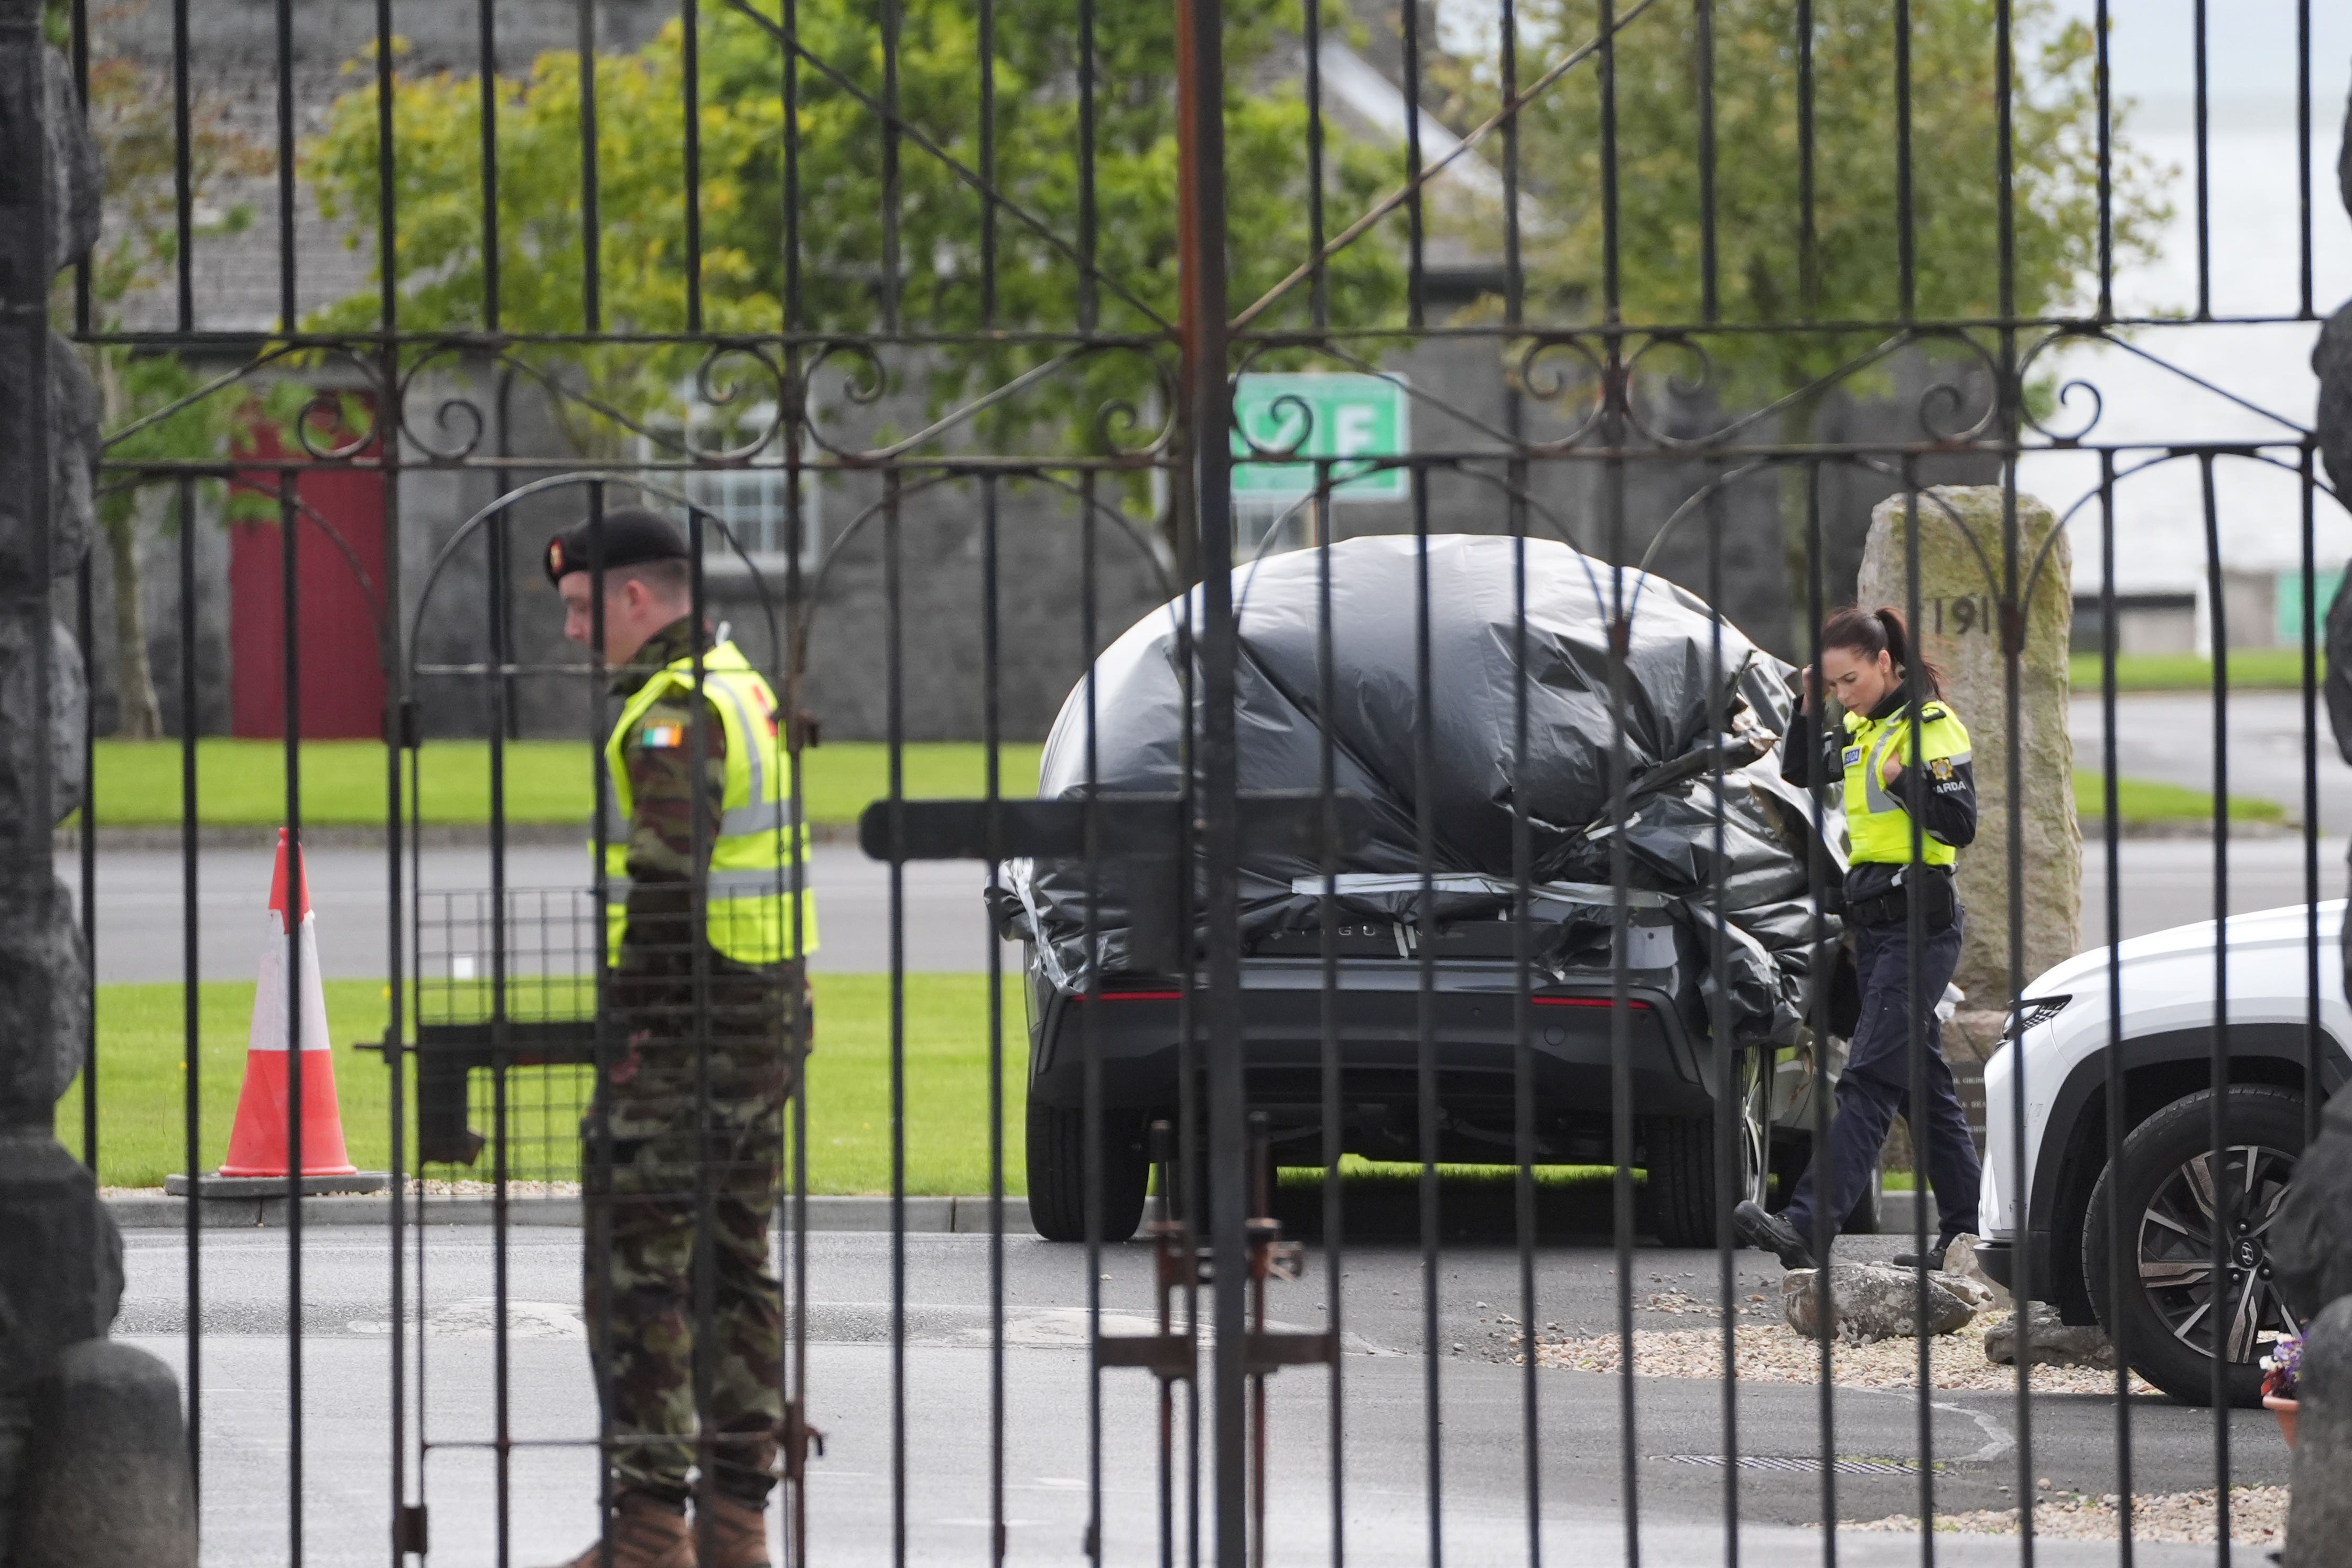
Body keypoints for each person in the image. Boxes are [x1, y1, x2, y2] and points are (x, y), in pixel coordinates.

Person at [536, 507, 817, 1568]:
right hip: (764, 1017)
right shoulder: (744, 688)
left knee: (641, 1274)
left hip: (688, 1029)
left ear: (635, 597)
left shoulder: (673, 713)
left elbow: (664, 879)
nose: (572, 632)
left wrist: (631, 1029)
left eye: (578, 608)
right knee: (736, 1267)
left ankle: (652, 1535)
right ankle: (737, 1523)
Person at [1734, 605, 1982, 1273]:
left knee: (1868, 1078)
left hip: (1919, 925)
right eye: (1834, 684)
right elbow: (1799, 773)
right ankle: (1969, 1235)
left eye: (1850, 681)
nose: (1845, 694)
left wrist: (1907, 786)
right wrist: (1810, 703)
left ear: (1883, 663)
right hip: (1873, 928)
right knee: (1918, 1087)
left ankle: (1808, 1226)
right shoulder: (1861, 725)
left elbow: (1960, 823)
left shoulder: (1931, 727)